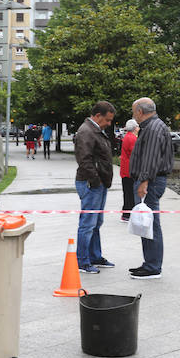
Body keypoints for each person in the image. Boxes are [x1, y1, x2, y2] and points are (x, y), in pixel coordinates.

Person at [128, 97, 174, 280]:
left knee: (150, 222)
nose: (133, 116)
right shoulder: (154, 126)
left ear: (140, 111)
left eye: (134, 112)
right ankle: (150, 263)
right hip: (151, 180)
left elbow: (150, 158)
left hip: (150, 182)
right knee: (147, 222)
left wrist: (144, 182)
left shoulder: (153, 128)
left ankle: (153, 266)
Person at [73, 101, 116, 275]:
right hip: (91, 183)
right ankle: (83, 261)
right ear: (97, 116)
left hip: (97, 183)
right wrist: (96, 181)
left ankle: (94, 256)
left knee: (96, 223)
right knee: (88, 224)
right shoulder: (86, 132)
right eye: (107, 120)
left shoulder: (95, 130)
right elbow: (84, 160)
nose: (109, 123)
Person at [119, 119, 139, 222]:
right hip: (129, 171)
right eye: (138, 126)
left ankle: (126, 213)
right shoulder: (132, 138)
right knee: (130, 193)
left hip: (125, 170)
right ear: (135, 127)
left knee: (127, 192)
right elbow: (135, 154)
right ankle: (127, 214)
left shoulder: (127, 137)